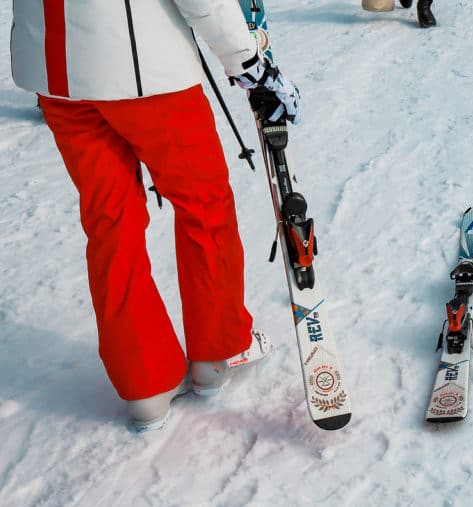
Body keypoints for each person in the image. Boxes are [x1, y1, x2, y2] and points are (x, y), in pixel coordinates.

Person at [9, 0, 301, 431]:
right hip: (146, 71)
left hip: (56, 72)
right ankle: (218, 351)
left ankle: (144, 383)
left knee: (110, 219)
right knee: (203, 204)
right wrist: (248, 60)